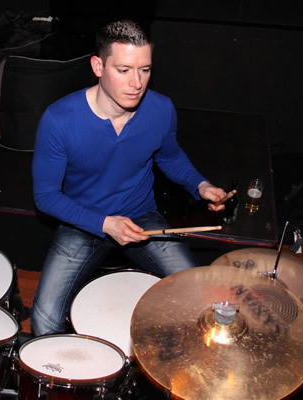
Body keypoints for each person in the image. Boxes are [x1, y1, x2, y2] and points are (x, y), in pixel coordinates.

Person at [30, 19, 226, 336]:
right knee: (45, 320)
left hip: (141, 218)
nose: (136, 83)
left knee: (200, 298)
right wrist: (105, 224)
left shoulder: (161, 109)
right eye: (123, 70)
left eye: (144, 70)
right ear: (98, 66)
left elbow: (170, 156)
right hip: (83, 220)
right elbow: (46, 197)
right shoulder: (59, 120)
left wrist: (200, 185)